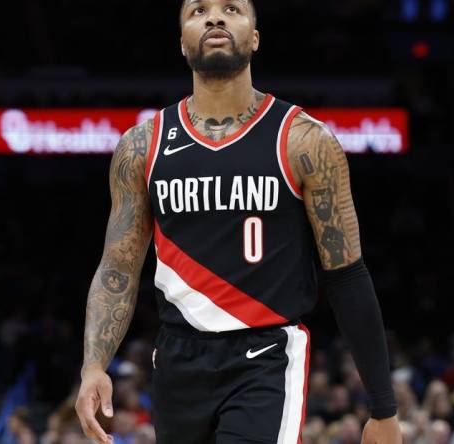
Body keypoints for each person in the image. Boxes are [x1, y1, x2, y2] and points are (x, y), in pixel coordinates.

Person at [75, 0, 401, 443]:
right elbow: (118, 269)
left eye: (231, 8)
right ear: (182, 44)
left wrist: (383, 408)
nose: (214, 18)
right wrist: (94, 366)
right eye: (198, 10)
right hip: (176, 361)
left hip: (265, 356)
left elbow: (346, 274)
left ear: (255, 37)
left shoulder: (304, 140)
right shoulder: (141, 146)